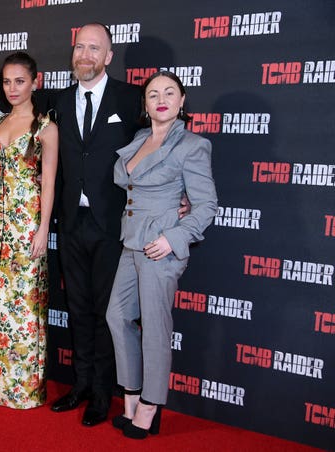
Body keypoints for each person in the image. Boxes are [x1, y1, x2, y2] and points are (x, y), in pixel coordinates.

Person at [106, 70, 218, 439]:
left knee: (155, 327)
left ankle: (152, 405)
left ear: (182, 100)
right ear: (145, 103)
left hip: (160, 248)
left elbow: (206, 206)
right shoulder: (140, 138)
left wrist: (173, 238)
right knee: (117, 316)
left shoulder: (192, 145)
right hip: (132, 241)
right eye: (153, 94)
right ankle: (132, 396)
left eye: (169, 92)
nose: (161, 99)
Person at [48, 23, 143, 426]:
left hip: (111, 223)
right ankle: (81, 384)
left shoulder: (132, 97)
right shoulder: (59, 101)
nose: (84, 54)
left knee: (108, 312)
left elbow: (158, 147)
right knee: (78, 307)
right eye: (79, 47)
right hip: (71, 222)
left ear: (108, 56)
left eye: (94, 48)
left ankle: (104, 395)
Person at [0, 52, 59, 409]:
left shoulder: (45, 127)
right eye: (6, 81)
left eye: (20, 81)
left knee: (28, 308)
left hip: (28, 225)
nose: (12, 88)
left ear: (36, 82)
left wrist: (43, 228)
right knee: (3, 307)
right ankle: (4, 388)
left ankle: (28, 392)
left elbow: (48, 183)